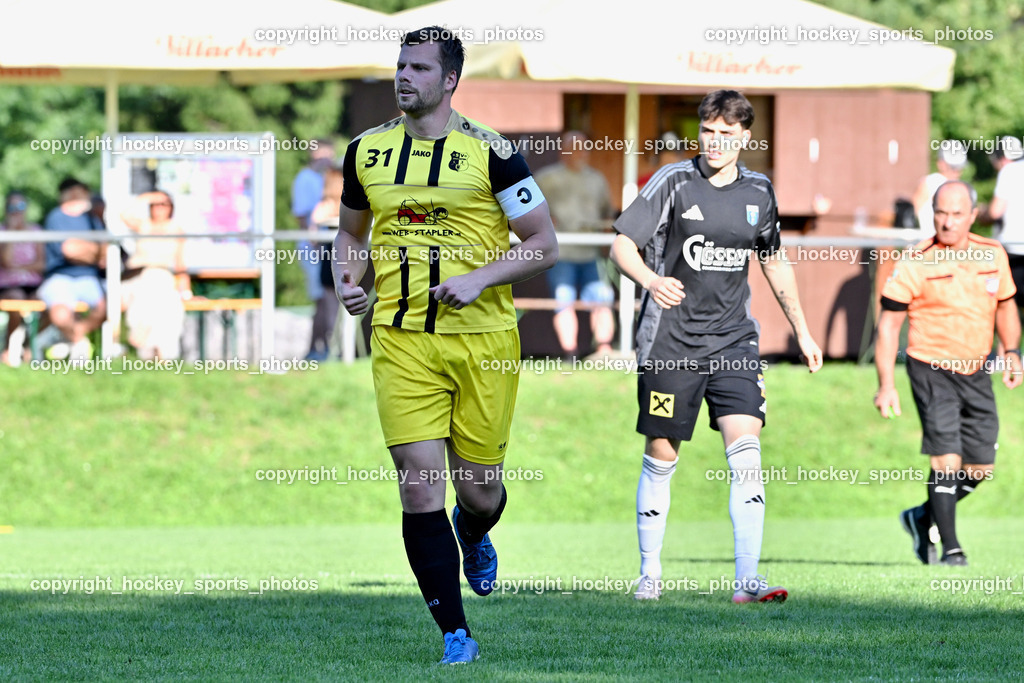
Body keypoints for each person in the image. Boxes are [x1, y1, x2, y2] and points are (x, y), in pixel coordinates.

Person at [332, 26, 557, 664]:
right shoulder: (365, 152)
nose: (405, 77)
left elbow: (544, 242)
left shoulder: (494, 153)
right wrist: (347, 281)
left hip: (484, 342)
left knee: (479, 490)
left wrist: (481, 278)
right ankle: (455, 635)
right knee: (418, 484)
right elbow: (350, 236)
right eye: (401, 66)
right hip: (401, 340)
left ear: (450, 80)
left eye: (420, 68)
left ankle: (475, 528)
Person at [610, 89, 823, 603]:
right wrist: (649, 280)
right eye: (708, 130)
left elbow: (773, 260)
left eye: (727, 133)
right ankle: (650, 575)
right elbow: (621, 245)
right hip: (671, 343)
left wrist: (802, 329)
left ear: (745, 136)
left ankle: (747, 582)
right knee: (662, 455)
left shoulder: (759, 191)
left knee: (746, 454)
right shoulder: (673, 181)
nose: (716, 141)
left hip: (734, 342)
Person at [875, 180, 1021, 566]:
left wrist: (1011, 352)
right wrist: (886, 384)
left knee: (979, 469)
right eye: (941, 212)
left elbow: (1006, 307)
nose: (948, 221)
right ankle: (952, 547)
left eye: (957, 214)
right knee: (946, 460)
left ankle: (922, 516)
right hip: (930, 368)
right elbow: (889, 326)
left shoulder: (993, 254)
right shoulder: (915, 259)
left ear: (973, 215)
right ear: (932, 214)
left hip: (976, 371)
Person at [534, 130, 616, 359]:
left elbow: (606, 214)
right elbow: (529, 210)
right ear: (562, 151)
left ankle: (604, 352)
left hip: (591, 254)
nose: (579, 153)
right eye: (573, 147)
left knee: (602, 299)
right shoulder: (546, 178)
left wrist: (607, 247)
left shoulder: (597, 179)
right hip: (560, 253)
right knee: (563, 301)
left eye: (583, 148)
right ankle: (570, 354)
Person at [37, 178, 107, 360]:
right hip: (60, 277)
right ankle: (78, 343)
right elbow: (69, 250)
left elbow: (104, 252)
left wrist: (88, 250)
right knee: (60, 314)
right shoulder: (56, 217)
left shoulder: (92, 219)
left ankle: (72, 339)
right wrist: (93, 250)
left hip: (90, 278)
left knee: (109, 305)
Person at [119, 190, 190, 359]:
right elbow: (124, 215)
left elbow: (180, 263)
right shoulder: (144, 225)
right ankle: (159, 350)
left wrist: (186, 291)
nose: (159, 208)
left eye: (164, 204)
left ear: (171, 208)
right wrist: (146, 197)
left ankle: (146, 336)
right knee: (157, 290)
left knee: (169, 303)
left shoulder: (176, 230)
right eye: (155, 204)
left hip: (161, 279)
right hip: (136, 276)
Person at [292, 139, 337, 361]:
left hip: (330, 248)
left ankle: (322, 348)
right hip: (315, 249)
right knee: (323, 299)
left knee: (329, 299)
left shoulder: (331, 179)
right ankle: (317, 349)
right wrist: (315, 244)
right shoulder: (305, 179)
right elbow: (304, 217)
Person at [0, 191, 45, 365]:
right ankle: (8, 348)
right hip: (7, 285)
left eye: (20, 206)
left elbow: (41, 264)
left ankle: (28, 344)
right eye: (12, 207)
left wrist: (19, 267)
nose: (17, 211)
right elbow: (6, 262)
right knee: (17, 299)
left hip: (32, 284)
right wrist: (11, 231)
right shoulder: (3, 231)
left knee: (46, 301)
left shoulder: (35, 230)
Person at [985, 138, 1024, 309]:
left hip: (1012, 251)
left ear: (1003, 158)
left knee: (1007, 306)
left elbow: (995, 211)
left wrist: (979, 213)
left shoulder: (1008, 171)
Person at [912, 140, 967, 237]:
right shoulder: (930, 183)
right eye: (953, 168)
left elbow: (911, 213)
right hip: (931, 242)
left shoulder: (956, 187)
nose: (957, 172)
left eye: (958, 168)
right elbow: (912, 213)